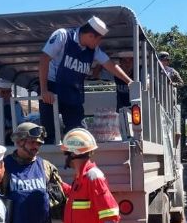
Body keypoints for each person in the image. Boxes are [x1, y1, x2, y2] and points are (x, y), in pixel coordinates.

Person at [39, 16, 132, 144]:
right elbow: (44, 59)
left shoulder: (93, 50)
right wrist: (44, 90)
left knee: (77, 134)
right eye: (98, 39)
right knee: (49, 135)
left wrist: (129, 82)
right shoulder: (63, 36)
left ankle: (76, 160)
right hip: (52, 89)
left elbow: (110, 64)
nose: (99, 43)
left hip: (73, 93)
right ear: (90, 36)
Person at [0, 79, 25, 145]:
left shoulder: (15, 105)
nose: (6, 94)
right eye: (3, 92)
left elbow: (21, 125)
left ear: (11, 91)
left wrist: (6, 132)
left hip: (10, 136)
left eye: (8, 92)